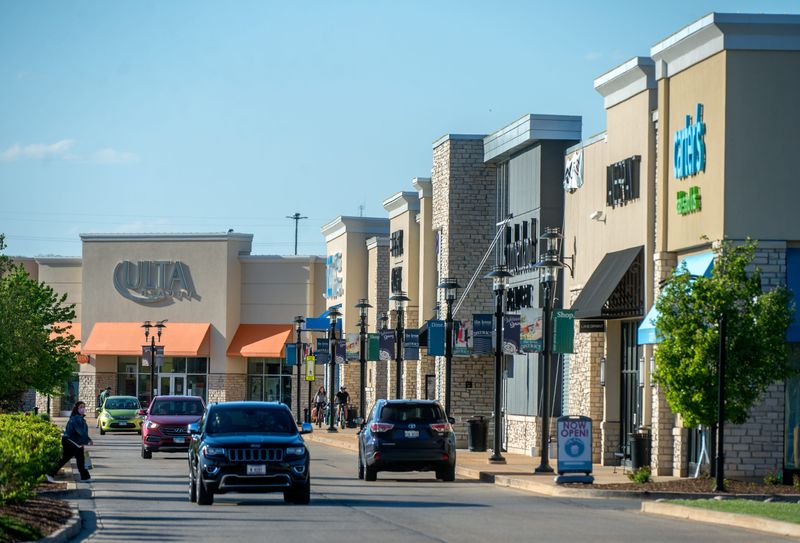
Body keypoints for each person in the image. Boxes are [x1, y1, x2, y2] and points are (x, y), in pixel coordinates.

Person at [47, 401, 93, 482]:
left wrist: (88, 439)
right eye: (81, 407)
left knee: (78, 459)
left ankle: (85, 477)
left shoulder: (79, 418)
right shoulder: (76, 418)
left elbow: (82, 432)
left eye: (83, 407)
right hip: (71, 441)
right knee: (72, 458)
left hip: (74, 441)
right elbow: (80, 431)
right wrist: (87, 440)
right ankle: (50, 473)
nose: (83, 409)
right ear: (76, 409)